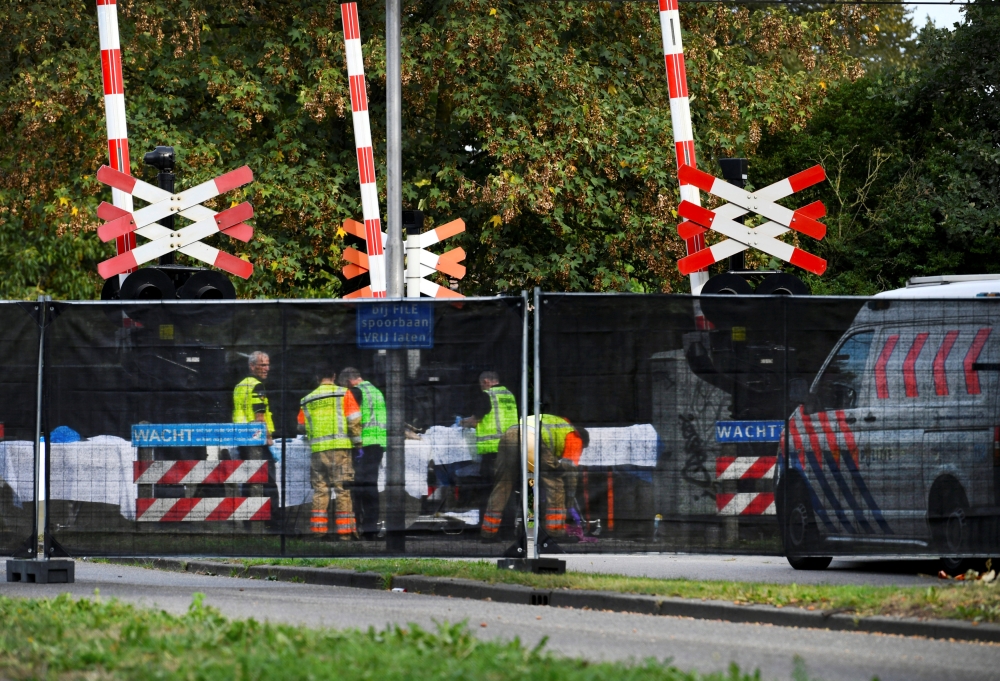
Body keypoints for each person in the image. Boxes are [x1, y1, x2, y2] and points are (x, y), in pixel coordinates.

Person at [481, 415, 588, 541]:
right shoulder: (575, 437)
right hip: (532, 438)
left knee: (503, 484)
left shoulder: (559, 424)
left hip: (509, 435)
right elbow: (570, 474)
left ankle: (488, 533)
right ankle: (555, 532)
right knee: (556, 484)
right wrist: (569, 501)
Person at [299, 362, 362, 540]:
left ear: (317, 378)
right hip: (340, 450)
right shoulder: (344, 393)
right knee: (342, 489)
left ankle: (319, 532)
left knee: (320, 490)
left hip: (318, 451)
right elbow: (354, 422)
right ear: (334, 377)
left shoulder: (308, 399)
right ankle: (345, 533)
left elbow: (301, 426)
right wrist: (358, 444)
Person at [339, 367, 386, 538]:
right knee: (371, 486)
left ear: (349, 381)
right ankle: (371, 528)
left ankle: (358, 527)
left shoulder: (356, 392)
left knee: (357, 486)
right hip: (378, 443)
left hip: (362, 445)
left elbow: (353, 419)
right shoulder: (376, 391)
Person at [231, 351, 278, 520]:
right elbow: (260, 415)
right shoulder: (257, 386)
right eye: (262, 365)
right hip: (256, 440)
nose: (267, 368)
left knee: (249, 480)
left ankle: (248, 520)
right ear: (252, 366)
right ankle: (273, 522)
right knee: (269, 481)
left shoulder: (240, 386)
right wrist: (268, 438)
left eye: (267, 364)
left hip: (242, 439)